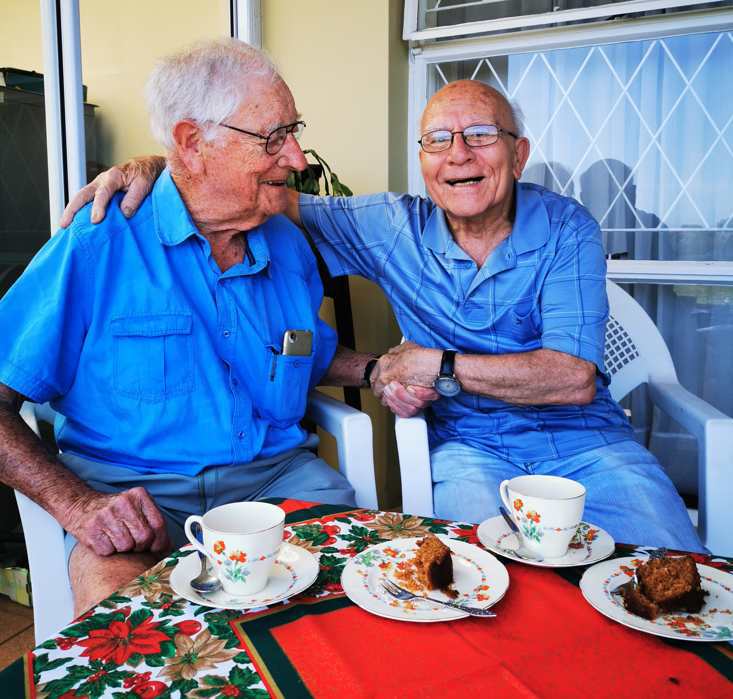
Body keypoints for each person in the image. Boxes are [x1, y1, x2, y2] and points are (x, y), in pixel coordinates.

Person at [64, 78, 704, 552]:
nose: (459, 154)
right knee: (480, 582)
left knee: (674, 572)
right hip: (469, 449)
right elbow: (257, 196)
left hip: (589, 443)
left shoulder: (566, 227)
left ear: (519, 152)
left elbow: (572, 378)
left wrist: (433, 362)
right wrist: (163, 165)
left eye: (481, 135)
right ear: (423, 158)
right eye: (437, 140)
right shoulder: (391, 225)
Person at [0, 38, 435, 616]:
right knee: (131, 635)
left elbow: (297, 355)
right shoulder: (96, 245)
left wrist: (378, 369)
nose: (299, 158)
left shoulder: (287, 244)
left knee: (366, 604)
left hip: (277, 485)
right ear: (192, 142)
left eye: (294, 131)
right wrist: (79, 507)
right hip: (137, 499)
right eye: (273, 137)